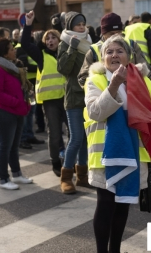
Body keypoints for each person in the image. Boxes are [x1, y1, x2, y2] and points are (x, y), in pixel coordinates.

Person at [84, 34, 151, 253]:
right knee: (106, 204)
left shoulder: (141, 80)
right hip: (105, 155)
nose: (114, 55)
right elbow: (96, 112)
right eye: (109, 52)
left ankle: (115, 250)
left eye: (119, 51)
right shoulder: (96, 80)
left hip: (135, 153)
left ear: (128, 57)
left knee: (122, 205)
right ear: (103, 59)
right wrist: (114, 84)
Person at [21, 11, 66, 176]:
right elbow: (25, 43)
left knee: (75, 134)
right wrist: (28, 24)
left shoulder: (65, 53)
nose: (50, 40)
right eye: (47, 38)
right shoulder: (41, 55)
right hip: (50, 101)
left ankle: (74, 163)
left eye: (53, 37)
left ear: (59, 40)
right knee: (54, 134)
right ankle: (55, 163)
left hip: (68, 98)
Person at [0, 39, 34, 190]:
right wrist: (16, 102)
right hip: (4, 112)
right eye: (11, 49)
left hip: (18, 111)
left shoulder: (13, 67)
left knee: (14, 146)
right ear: (4, 53)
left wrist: (25, 100)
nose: (15, 51)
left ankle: (17, 174)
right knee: (5, 147)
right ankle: (3, 179)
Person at [57, 12, 92, 194]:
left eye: (83, 23)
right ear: (70, 26)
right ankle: (66, 177)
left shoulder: (89, 42)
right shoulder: (65, 42)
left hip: (89, 95)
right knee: (76, 138)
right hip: (73, 97)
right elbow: (63, 69)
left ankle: (83, 176)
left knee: (86, 138)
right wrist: (72, 49)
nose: (81, 26)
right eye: (78, 24)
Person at [78, 12, 151, 88]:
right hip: (105, 95)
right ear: (103, 34)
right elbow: (83, 79)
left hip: (131, 94)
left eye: (118, 32)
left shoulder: (132, 45)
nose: (116, 36)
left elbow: (148, 72)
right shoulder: (94, 50)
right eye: (111, 33)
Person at [124, 12, 151, 86]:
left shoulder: (127, 29)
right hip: (146, 67)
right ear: (150, 21)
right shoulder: (149, 30)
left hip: (130, 66)